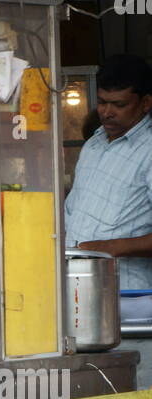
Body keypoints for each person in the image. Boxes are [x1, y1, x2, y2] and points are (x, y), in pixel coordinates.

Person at [64, 54, 152, 289]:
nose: (107, 112)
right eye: (102, 102)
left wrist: (110, 247)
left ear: (145, 103)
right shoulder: (95, 143)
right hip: (77, 283)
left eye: (119, 104)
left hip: (128, 293)